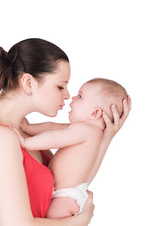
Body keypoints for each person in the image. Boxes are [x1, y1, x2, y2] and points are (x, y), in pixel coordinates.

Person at [0, 38, 131, 226]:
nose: (68, 95)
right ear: (29, 82)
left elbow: (72, 184)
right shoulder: (5, 138)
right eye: (60, 86)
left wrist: (105, 136)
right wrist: (79, 221)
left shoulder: (28, 136)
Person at [15, 77, 128, 219]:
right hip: (67, 192)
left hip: (66, 195)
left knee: (53, 217)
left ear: (95, 113)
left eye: (80, 96)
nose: (73, 97)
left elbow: (55, 139)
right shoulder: (85, 130)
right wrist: (29, 127)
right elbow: (52, 127)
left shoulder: (88, 132)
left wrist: (26, 143)